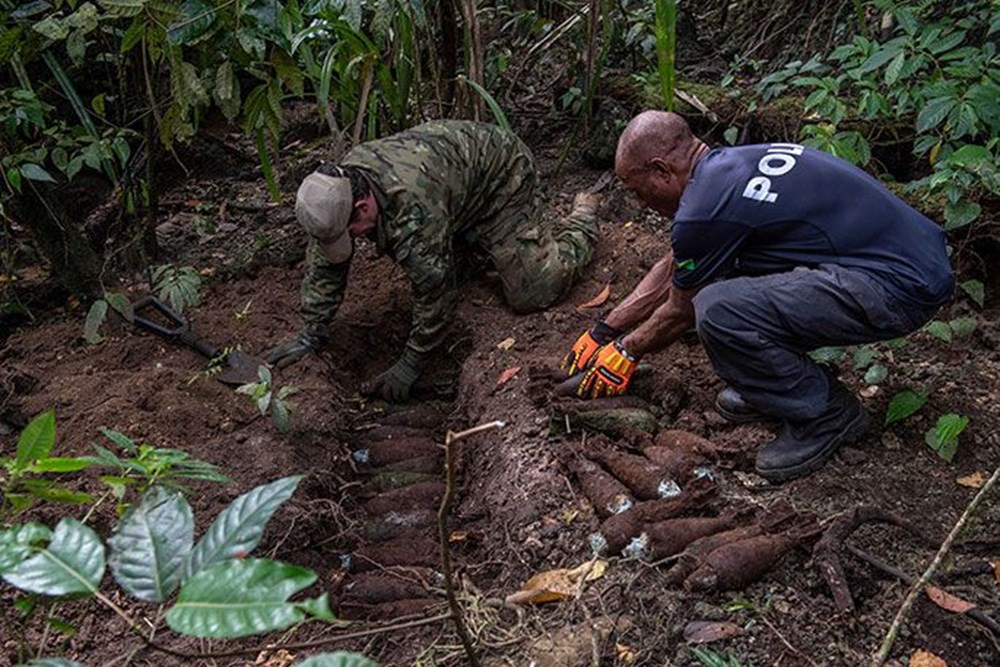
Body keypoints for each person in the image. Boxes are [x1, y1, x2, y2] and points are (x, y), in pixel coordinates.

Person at [563, 110, 954, 483]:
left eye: (638, 191)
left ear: (661, 170)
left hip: (898, 286)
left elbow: (679, 311)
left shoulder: (704, 209)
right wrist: (605, 329)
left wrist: (627, 351)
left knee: (716, 309)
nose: (641, 204)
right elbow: (678, 262)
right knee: (728, 279)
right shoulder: (726, 168)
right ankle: (777, 385)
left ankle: (827, 413)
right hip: (909, 262)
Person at [266, 119, 600, 402]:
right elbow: (326, 263)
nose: (352, 240)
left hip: (500, 175)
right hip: (453, 186)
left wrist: (410, 364)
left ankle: (581, 221)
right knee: (457, 265)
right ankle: (476, 245)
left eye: (351, 231)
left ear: (363, 207)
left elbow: (437, 295)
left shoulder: (413, 209)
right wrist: (312, 330)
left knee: (533, 291)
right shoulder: (335, 190)